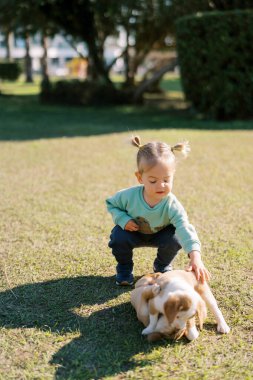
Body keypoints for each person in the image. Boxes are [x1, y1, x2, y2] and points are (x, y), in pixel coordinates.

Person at [106, 135, 210, 286]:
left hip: (161, 236)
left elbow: (184, 228)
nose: (160, 186)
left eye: (166, 180)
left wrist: (196, 258)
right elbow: (111, 204)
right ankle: (124, 268)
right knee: (118, 236)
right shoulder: (128, 195)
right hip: (132, 232)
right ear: (140, 177)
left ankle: (161, 267)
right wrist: (123, 219)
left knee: (175, 237)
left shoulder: (172, 204)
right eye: (153, 181)